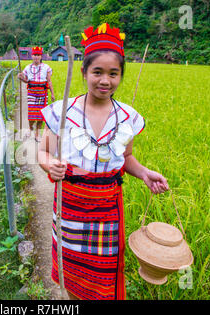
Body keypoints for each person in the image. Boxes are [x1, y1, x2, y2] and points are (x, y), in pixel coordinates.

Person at [37, 23, 169, 300]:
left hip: (107, 210)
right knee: (72, 273)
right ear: (84, 72)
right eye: (97, 72)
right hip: (70, 204)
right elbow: (42, 151)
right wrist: (49, 165)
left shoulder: (128, 117)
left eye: (113, 73)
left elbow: (127, 158)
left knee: (103, 276)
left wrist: (144, 173)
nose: (105, 80)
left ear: (121, 75)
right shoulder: (62, 111)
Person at [18, 46, 55, 142]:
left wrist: (52, 93)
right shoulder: (27, 68)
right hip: (32, 93)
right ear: (32, 56)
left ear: (41, 56)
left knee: (41, 114)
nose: (36, 57)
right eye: (34, 55)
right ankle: (30, 129)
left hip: (42, 93)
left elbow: (49, 81)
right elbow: (26, 81)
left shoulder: (46, 68)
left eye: (38, 55)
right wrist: (21, 77)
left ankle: (37, 133)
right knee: (32, 113)